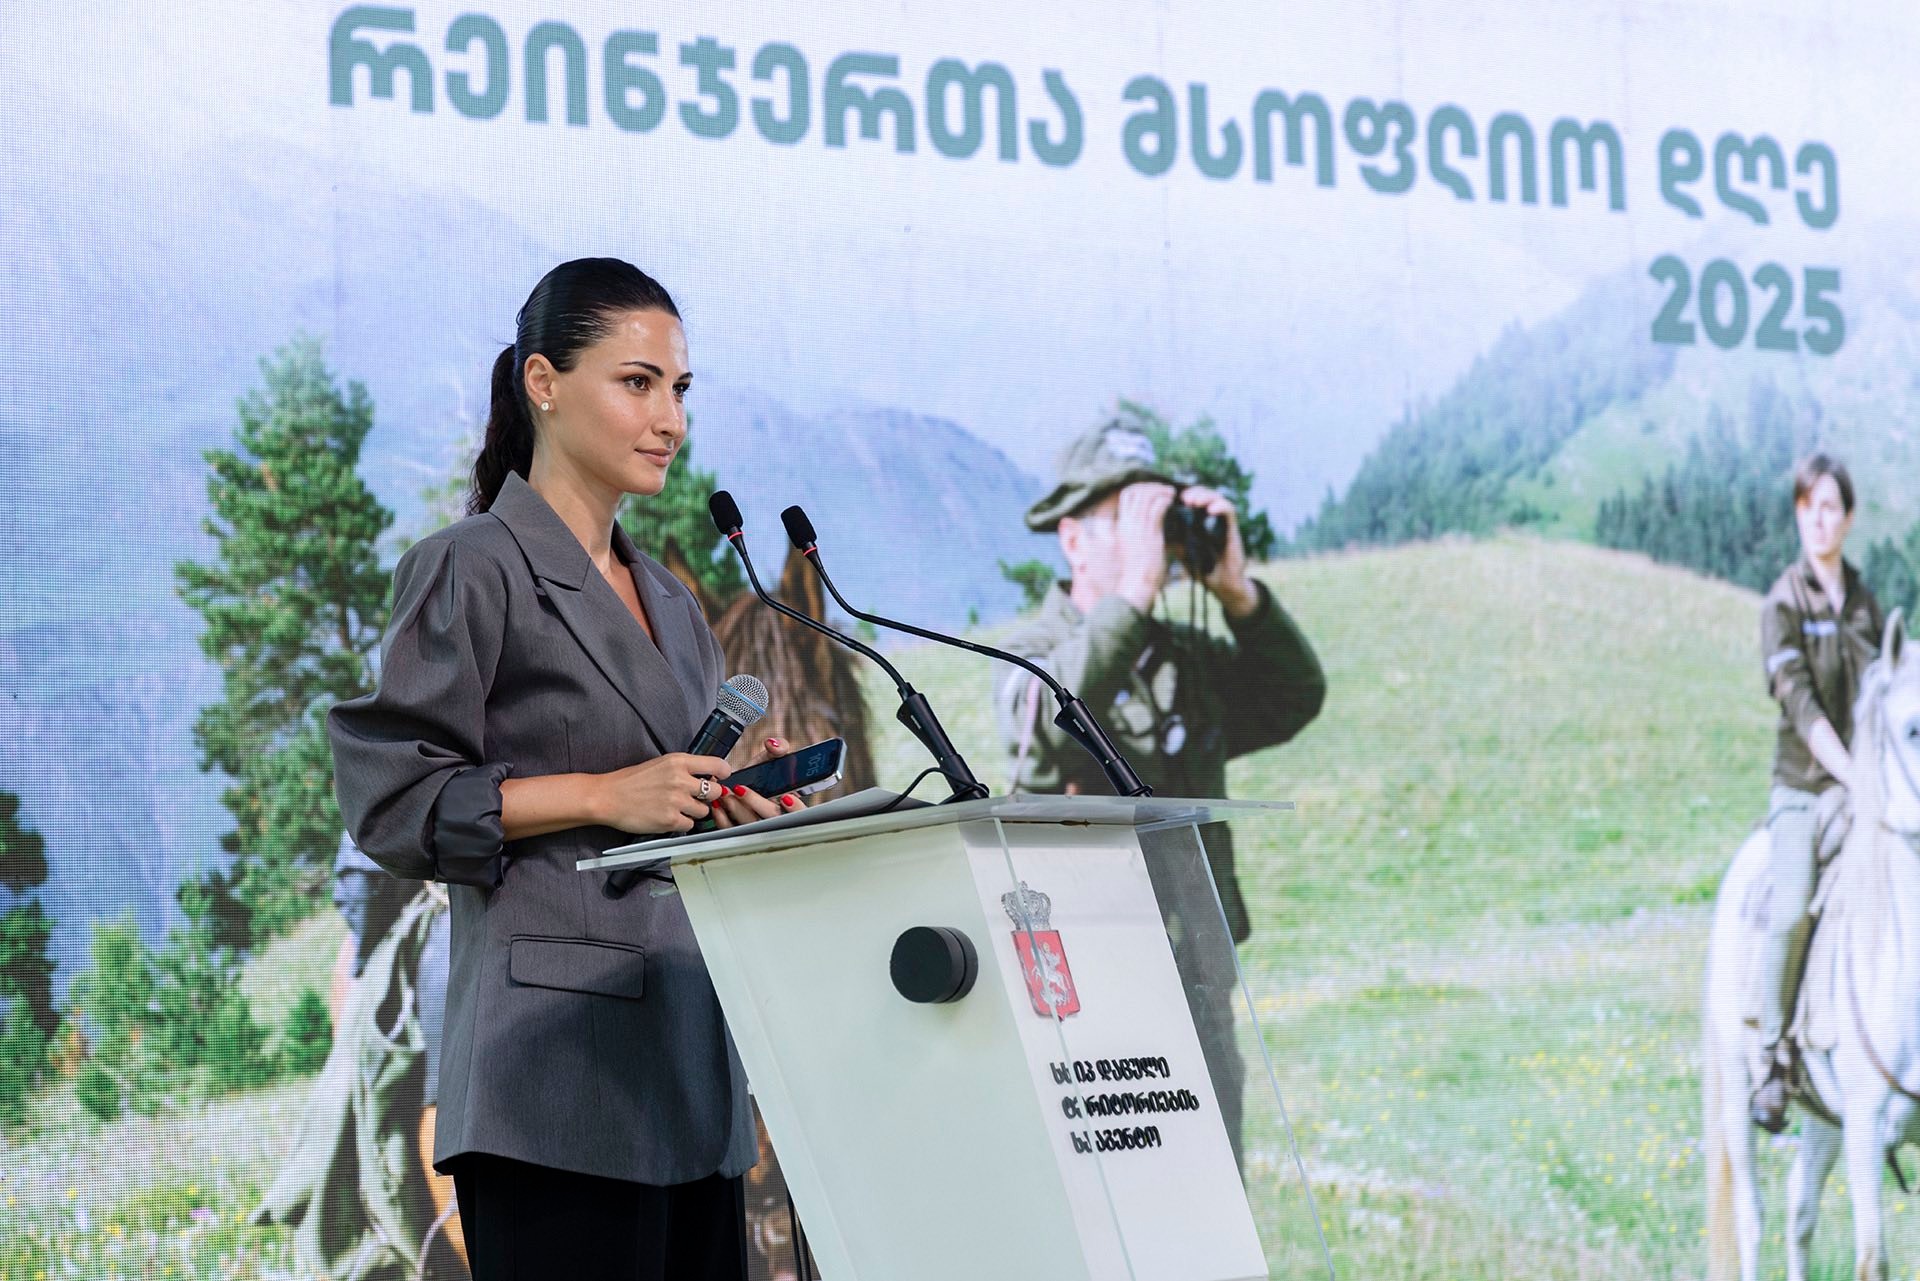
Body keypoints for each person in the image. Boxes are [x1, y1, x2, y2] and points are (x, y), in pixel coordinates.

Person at [328, 258, 803, 1281]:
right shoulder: (470, 565)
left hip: (693, 1062)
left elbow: (677, 800)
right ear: (543, 382)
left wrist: (741, 801)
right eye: (638, 383)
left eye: (680, 389)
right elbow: (395, 799)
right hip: (554, 1078)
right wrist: (601, 795)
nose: (669, 419)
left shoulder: (673, 602)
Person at [996, 420, 1326, 1163]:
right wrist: (1135, 592)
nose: (1156, 539)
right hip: (1087, 992)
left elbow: (1293, 697)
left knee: (1213, 1195)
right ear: (1073, 539)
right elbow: (1043, 725)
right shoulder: (1031, 654)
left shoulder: (1184, 660)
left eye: (1161, 518)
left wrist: (1238, 593)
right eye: (1132, 519)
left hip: (1198, 983)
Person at [1748, 452, 1884, 1133]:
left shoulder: (1864, 601)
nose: (1819, 519)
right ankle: (1773, 1056)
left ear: (1849, 517)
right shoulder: (1783, 602)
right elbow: (1800, 706)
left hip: (1864, 786)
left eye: (1830, 507)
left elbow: (1886, 687)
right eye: (1808, 507)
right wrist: (1854, 773)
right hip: (1804, 786)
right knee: (1793, 904)